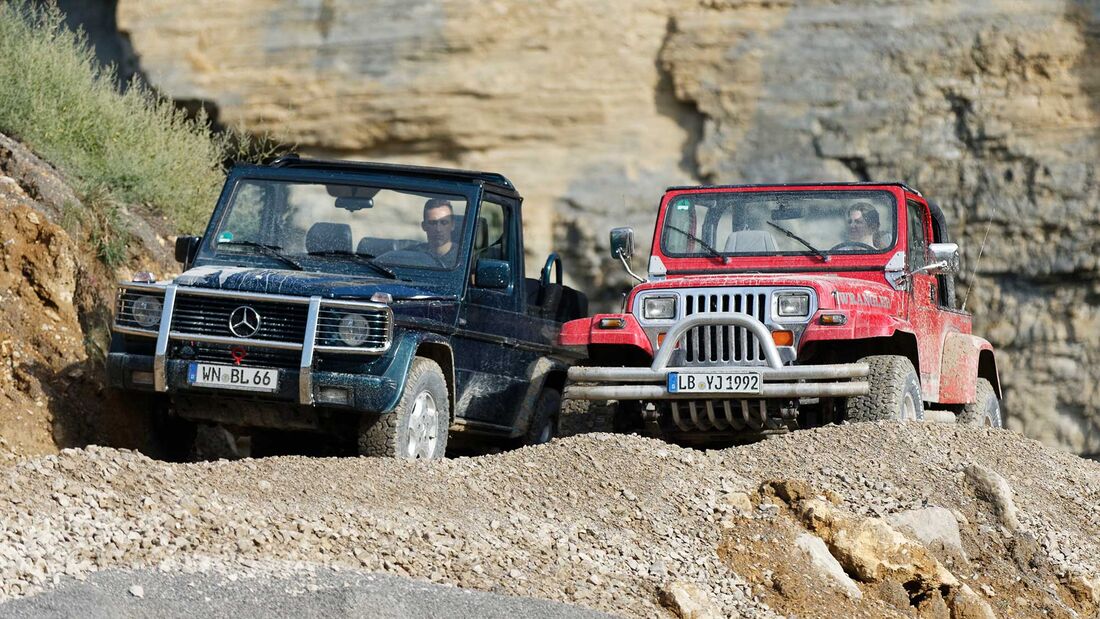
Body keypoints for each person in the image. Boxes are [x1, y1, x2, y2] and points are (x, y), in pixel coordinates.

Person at [417, 198, 459, 264]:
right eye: (433, 223)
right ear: (424, 226)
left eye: (444, 222)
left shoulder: (463, 257)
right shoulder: (412, 254)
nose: (438, 229)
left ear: (453, 225)